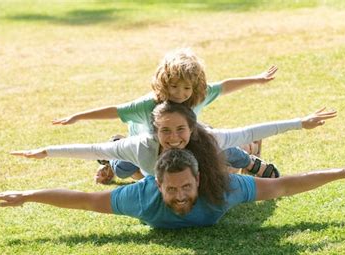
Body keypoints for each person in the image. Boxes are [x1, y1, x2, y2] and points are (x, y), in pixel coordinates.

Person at [12, 102, 337, 202]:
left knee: (228, 155)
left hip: (210, 155)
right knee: (125, 168)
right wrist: (47, 151)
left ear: (191, 127)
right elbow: (90, 147)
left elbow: (252, 130)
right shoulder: (141, 146)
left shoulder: (203, 136)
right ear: (154, 131)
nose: (174, 137)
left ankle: (250, 159)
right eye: (165, 131)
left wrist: (300, 123)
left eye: (181, 130)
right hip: (141, 162)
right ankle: (112, 165)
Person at [0, 149, 345, 229]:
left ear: (198, 181)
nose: (179, 196)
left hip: (224, 169)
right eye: (171, 189)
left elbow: (281, 187)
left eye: (186, 188)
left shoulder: (223, 188)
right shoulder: (140, 197)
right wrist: (29, 194)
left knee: (238, 161)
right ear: (155, 184)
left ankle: (246, 151)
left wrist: (340, 172)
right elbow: (87, 200)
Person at [51, 48, 278, 183]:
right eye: (174, 87)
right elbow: (116, 110)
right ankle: (114, 152)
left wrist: (256, 79)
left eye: (186, 88)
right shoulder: (148, 104)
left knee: (217, 151)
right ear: (163, 83)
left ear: (196, 87)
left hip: (184, 141)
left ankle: (251, 162)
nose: (180, 94)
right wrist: (78, 116)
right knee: (123, 170)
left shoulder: (199, 94)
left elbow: (225, 86)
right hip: (150, 148)